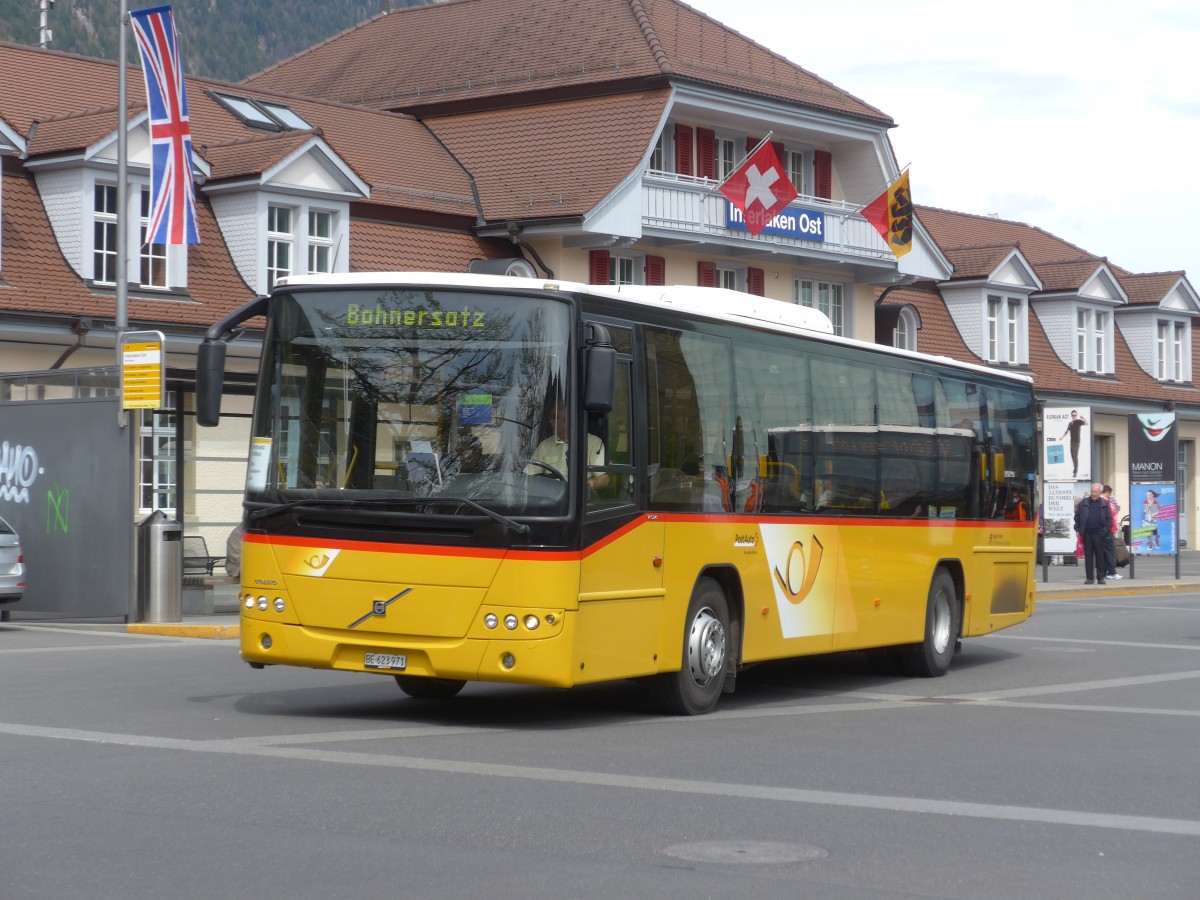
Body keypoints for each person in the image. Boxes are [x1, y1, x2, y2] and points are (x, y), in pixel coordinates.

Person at [525, 400, 608, 491]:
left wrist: (588, 485)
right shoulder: (545, 445)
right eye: (550, 417)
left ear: (569, 418)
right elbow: (529, 476)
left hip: (577, 500)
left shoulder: (593, 442)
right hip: (548, 499)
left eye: (555, 417)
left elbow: (604, 478)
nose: (550, 421)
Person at [1074, 482, 1113, 585]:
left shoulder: (1104, 503)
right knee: (1088, 557)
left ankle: (1100, 577)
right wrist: (1078, 528)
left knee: (1100, 556)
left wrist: (1105, 531)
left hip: (1100, 533)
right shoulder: (1084, 502)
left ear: (1100, 492)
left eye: (1096, 491)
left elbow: (1109, 518)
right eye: (1092, 491)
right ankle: (1089, 578)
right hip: (1087, 533)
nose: (1093, 493)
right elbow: (1077, 517)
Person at [1101, 485, 1121, 579]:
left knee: (1104, 552)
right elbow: (1109, 515)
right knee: (1110, 552)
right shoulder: (1105, 501)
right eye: (1110, 493)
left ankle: (1104, 572)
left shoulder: (1102, 501)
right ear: (1107, 492)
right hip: (1108, 530)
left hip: (1104, 530)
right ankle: (1111, 572)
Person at [1060, 409, 1088, 478]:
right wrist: (1062, 437)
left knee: (1075, 456)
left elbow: (1087, 424)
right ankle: (1075, 468)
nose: (1074, 416)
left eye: (1075, 415)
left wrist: (1083, 417)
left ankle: (1075, 471)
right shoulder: (1070, 423)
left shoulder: (1078, 421)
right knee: (1072, 456)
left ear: (1076, 415)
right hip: (1071, 442)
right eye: (1073, 415)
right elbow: (1067, 431)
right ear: (1071, 415)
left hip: (1077, 441)